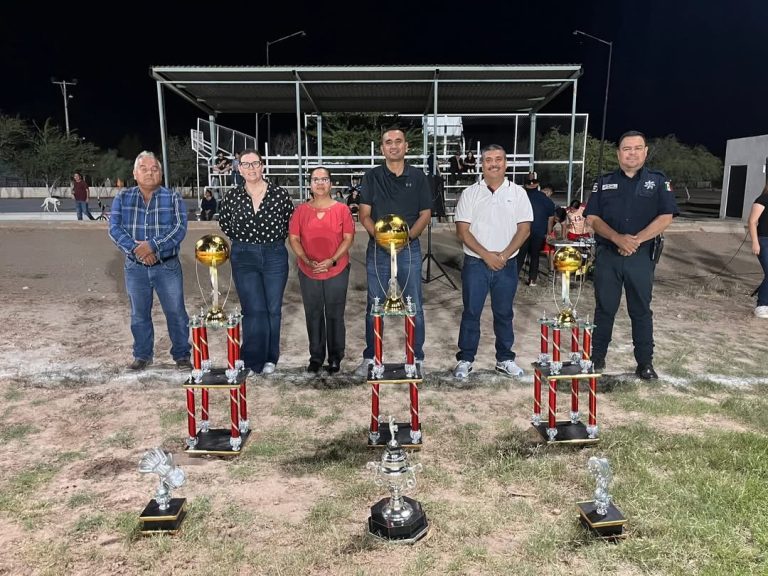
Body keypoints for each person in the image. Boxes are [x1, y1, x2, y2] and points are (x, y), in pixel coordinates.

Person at [584, 130, 678, 380]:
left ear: (646, 152)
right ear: (618, 154)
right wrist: (617, 238)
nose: (632, 153)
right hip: (609, 255)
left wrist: (635, 240)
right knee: (605, 308)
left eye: (638, 148)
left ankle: (645, 363)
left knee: (641, 310)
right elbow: (592, 217)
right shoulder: (603, 182)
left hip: (641, 255)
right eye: (627, 149)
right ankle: (597, 357)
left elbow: (666, 216)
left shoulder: (658, 181)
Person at [356, 128, 433, 376]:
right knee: (374, 305)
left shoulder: (419, 177)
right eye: (388, 142)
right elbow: (364, 215)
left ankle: (416, 357)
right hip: (378, 249)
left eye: (398, 141)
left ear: (406, 146)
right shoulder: (371, 176)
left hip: (408, 248)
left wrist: (406, 238)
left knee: (414, 305)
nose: (393, 146)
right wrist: (382, 238)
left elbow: (425, 214)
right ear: (382, 149)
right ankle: (371, 357)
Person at [452, 144, 532, 379]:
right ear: (482, 163)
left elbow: (524, 229)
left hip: (507, 264)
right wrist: (487, 255)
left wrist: (504, 255)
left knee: (504, 313)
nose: (494, 163)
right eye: (488, 160)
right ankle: (465, 359)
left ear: (506, 163)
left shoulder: (518, 192)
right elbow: (462, 231)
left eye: (498, 159)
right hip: (476, 263)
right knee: (471, 312)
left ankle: (505, 359)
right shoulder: (470, 193)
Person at [108, 151, 192, 371]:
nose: (149, 172)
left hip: (167, 266)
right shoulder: (123, 198)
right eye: (143, 169)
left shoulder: (173, 197)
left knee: (176, 312)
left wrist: (152, 245)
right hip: (135, 267)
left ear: (161, 174)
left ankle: (182, 355)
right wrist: (139, 250)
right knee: (139, 314)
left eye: (154, 169)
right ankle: (143, 356)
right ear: (135, 173)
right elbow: (115, 229)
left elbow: (179, 228)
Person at [218, 148, 294, 376]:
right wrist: (247, 242)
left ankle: (271, 357)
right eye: (246, 164)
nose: (251, 168)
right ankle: (252, 359)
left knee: (272, 309)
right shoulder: (232, 197)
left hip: (274, 254)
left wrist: (269, 243)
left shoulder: (279, 194)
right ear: (239, 169)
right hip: (243, 255)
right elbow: (226, 224)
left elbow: (288, 222)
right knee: (253, 309)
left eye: (255, 163)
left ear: (262, 166)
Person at [288, 167, 356, 373]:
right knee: (313, 313)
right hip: (309, 270)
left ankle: (335, 356)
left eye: (324, 179)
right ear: (310, 184)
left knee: (335, 313)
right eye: (315, 179)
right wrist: (306, 259)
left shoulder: (341, 210)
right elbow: (294, 238)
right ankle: (316, 356)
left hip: (336, 268)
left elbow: (348, 238)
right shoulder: (300, 211)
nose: (320, 183)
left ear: (331, 184)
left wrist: (332, 260)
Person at [516, 173, 555, 286]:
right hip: (538, 231)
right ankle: (532, 279)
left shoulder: (519, 196)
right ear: (537, 184)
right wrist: (548, 233)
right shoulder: (546, 200)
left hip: (522, 231)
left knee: (520, 255)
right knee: (535, 255)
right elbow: (550, 218)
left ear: (525, 184)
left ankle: (514, 277)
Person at [748, 183, 768, 318]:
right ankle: (761, 305)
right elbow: (752, 221)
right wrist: (755, 242)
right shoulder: (762, 199)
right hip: (764, 240)